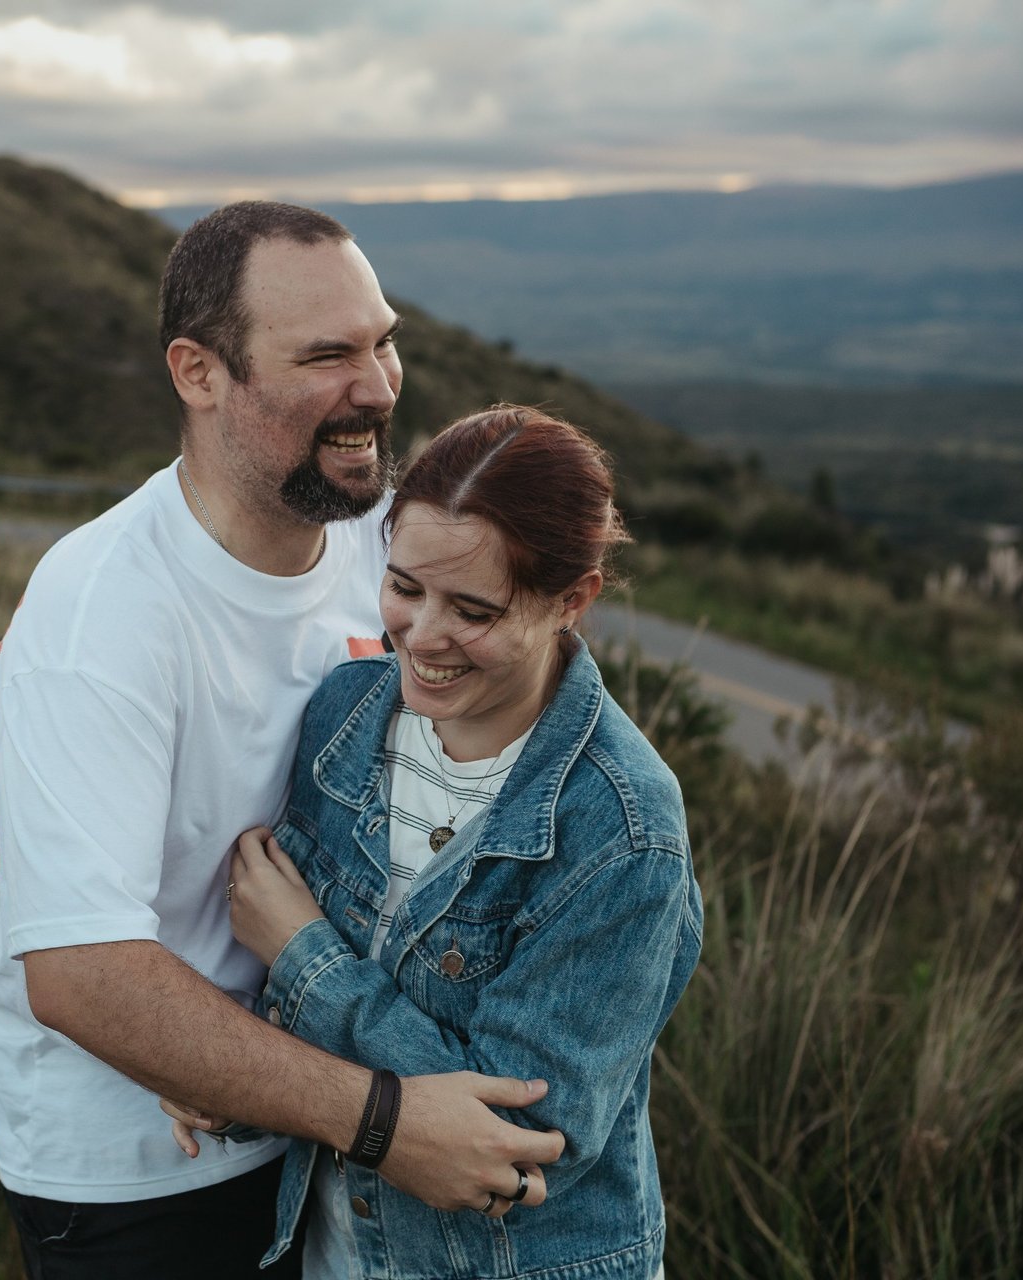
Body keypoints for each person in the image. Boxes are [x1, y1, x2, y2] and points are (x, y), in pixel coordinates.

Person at [0, 205, 566, 1279]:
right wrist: (386, 1120)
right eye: (328, 355)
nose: (378, 387)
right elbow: (82, 974)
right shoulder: (101, 615)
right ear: (199, 373)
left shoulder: (385, 549)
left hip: (323, 1099)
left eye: (384, 342)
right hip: (148, 1167)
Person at [171, 405, 703, 1278]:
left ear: (572, 601)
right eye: (405, 588)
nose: (421, 637)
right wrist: (234, 1083)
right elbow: (303, 1037)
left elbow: (520, 1143)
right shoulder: (343, 716)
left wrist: (304, 955)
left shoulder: (622, 828)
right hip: (335, 1250)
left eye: (474, 610)